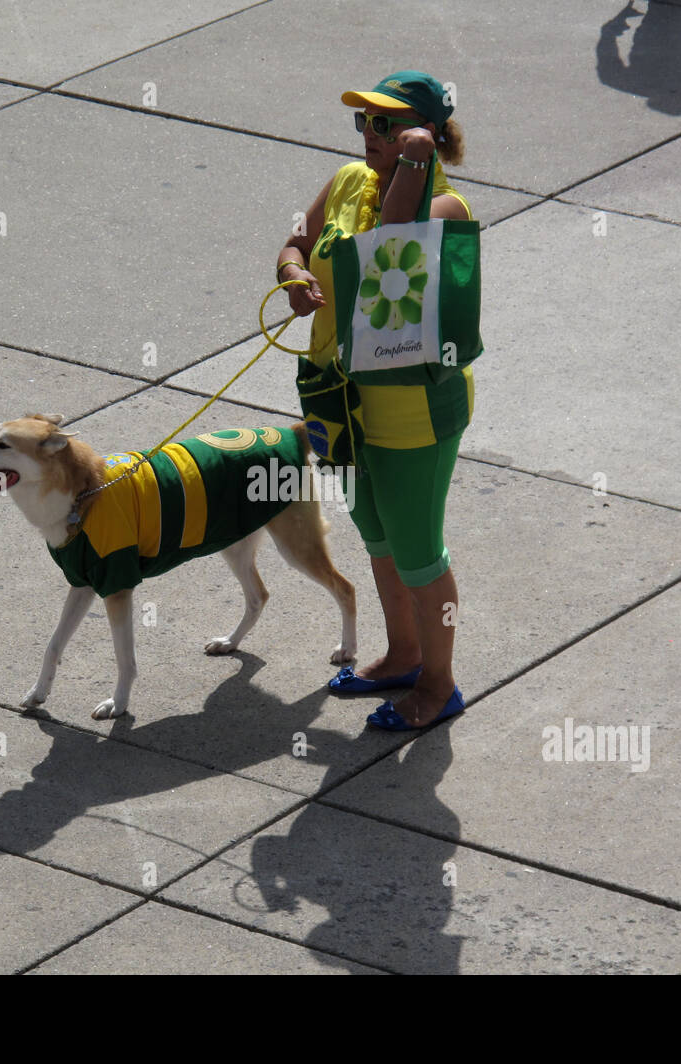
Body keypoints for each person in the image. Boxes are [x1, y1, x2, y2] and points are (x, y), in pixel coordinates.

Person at [276, 71, 475, 731]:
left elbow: (393, 239)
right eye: (364, 122)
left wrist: (418, 160)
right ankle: (402, 655)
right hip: (338, 397)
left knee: (421, 552)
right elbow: (296, 238)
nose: (370, 134)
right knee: (379, 536)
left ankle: (440, 683)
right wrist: (294, 274)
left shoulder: (445, 209)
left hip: (412, 408)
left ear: (426, 134)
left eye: (387, 124)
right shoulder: (344, 181)